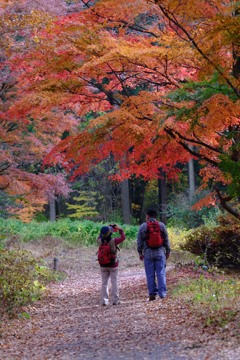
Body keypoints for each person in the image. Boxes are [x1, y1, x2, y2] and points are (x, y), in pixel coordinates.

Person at [137, 208, 170, 301]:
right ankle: (162, 294)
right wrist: (167, 251)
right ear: (156, 216)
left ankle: (152, 294)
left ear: (147, 216)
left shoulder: (143, 227)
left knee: (150, 275)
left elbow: (139, 241)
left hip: (148, 254)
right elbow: (166, 240)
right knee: (161, 273)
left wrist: (140, 252)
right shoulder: (161, 226)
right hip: (160, 253)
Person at [97, 224, 126, 306]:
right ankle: (115, 300)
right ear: (110, 233)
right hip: (113, 265)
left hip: (103, 265)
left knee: (104, 283)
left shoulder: (99, 241)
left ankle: (104, 301)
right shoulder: (114, 240)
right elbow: (123, 237)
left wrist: (104, 229)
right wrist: (120, 230)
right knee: (114, 282)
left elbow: (100, 235)